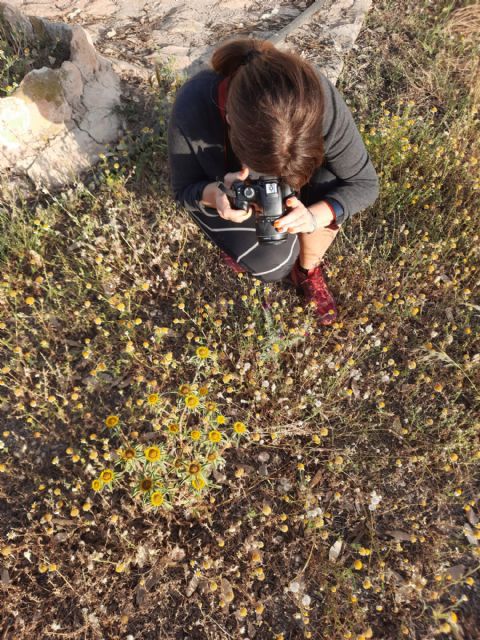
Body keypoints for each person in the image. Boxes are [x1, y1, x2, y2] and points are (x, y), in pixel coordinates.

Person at [167, 38, 379, 325]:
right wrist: (216, 194)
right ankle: (274, 262)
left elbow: (365, 183)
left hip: (310, 187)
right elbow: (183, 190)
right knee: (273, 264)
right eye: (262, 172)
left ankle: (307, 269)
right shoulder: (193, 107)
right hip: (232, 192)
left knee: (333, 182)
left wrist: (315, 216)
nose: (276, 185)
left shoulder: (315, 96)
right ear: (228, 120)